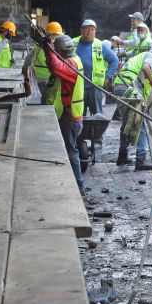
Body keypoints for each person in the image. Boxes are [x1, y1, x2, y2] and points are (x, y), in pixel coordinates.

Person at [43, 34, 86, 191]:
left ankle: (79, 184)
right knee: (69, 150)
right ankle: (74, 181)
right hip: (68, 114)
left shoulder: (72, 65)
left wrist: (48, 50)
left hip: (70, 116)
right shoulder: (74, 59)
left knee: (70, 151)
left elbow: (55, 66)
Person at [113, 44, 152, 170]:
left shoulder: (138, 57)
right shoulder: (151, 55)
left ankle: (122, 156)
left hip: (120, 85)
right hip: (129, 86)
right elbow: (146, 68)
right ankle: (141, 160)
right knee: (140, 123)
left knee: (127, 124)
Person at [72, 19, 119, 145]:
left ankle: (97, 139)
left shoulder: (100, 45)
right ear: (81, 30)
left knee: (97, 114)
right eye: (86, 29)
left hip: (94, 87)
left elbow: (114, 60)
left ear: (95, 31)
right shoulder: (73, 43)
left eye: (92, 29)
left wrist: (107, 77)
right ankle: (78, 137)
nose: (89, 32)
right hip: (77, 87)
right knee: (77, 113)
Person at [32, 21, 64, 93]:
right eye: (57, 36)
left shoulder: (42, 44)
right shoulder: (48, 47)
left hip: (46, 77)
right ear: (52, 35)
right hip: (44, 78)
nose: (58, 38)